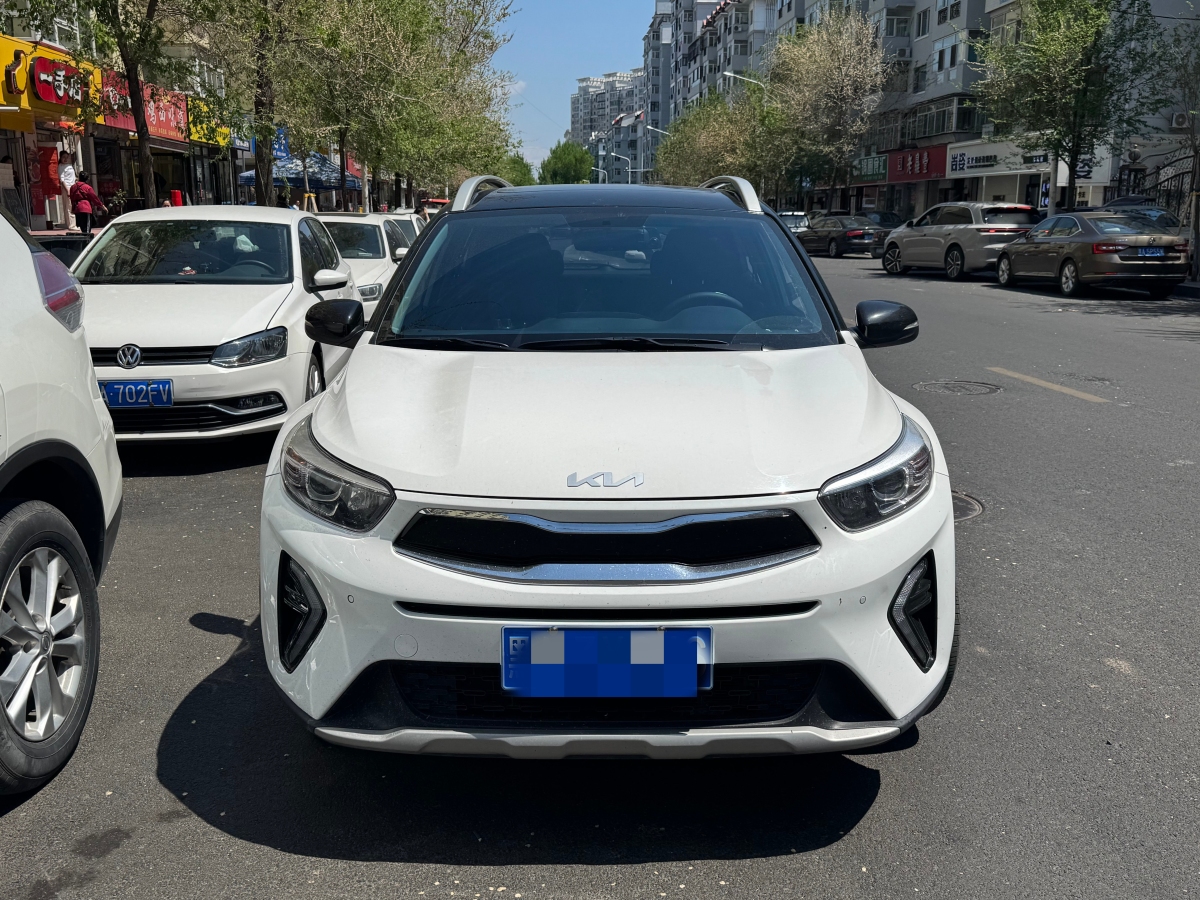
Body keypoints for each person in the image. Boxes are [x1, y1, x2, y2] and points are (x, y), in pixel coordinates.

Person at [58, 150, 78, 232]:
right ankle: (71, 225)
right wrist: (67, 190)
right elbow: (62, 180)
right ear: (60, 158)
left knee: (73, 206)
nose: (65, 159)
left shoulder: (69, 165)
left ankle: (73, 224)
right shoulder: (61, 166)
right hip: (67, 187)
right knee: (69, 207)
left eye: (67, 157)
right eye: (63, 157)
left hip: (73, 187)